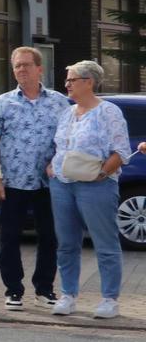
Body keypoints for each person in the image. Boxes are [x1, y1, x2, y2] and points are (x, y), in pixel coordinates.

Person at [0, 47, 69, 310]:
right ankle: (13, 290)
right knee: (9, 237)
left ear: (39, 68)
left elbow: (69, 141)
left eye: (26, 65)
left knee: (49, 237)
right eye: (17, 66)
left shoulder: (59, 102)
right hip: (13, 182)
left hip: (49, 183)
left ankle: (44, 290)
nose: (21, 70)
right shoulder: (3, 102)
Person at [49, 60, 128, 319]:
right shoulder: (67, 113)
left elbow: (121, 150)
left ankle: (109, 299)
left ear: (89, 82)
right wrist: (52, 167)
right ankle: (68, 295)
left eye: (72, 80)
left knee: (105, 243)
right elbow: (61, 146)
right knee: (66, 243)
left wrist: (102, 173)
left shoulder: (109, 111)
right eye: (67, 80)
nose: (67, 84)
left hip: (96, 185)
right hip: (62, 184)